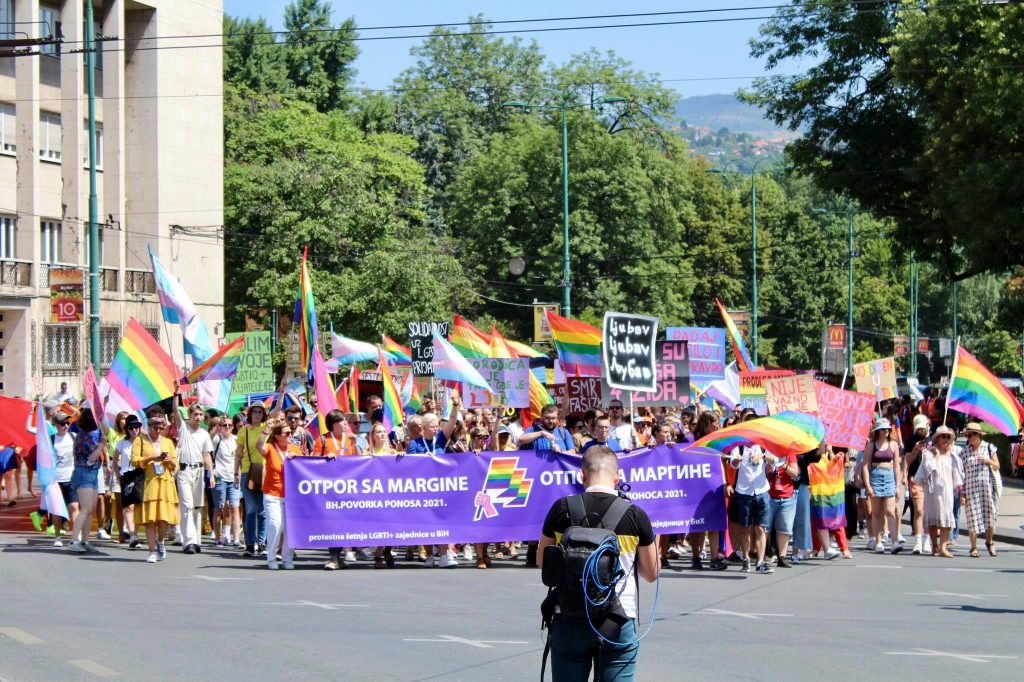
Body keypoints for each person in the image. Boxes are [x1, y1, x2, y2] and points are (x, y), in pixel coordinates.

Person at [538, 445, 657, 681]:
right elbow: (650, 573)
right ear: (617, 477)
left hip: (569, 614)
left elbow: (543, 561)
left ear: (582, 474)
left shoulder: (561, 509)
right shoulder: (635, 515)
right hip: (617, 618)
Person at [131, 406, 180, 564]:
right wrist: (152, 458)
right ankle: (152, 551)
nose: (158, 430)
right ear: (149, 426)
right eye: (155, 427)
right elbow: (135, 461)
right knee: (150, 520)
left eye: (161, 427)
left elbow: (175, 464)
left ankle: (160, 540)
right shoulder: (141, 440)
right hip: (148, 483)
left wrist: (169, 460)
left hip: (165, 483)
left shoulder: (168, 442)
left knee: (164, 519)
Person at [172, 400, 215, 554]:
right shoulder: (184, 429)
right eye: (195, 414)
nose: (197, 417)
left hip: (199, 471)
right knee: (186, 505)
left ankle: (196, 540)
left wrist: (211, 474)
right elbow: (176, 412)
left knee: (197, 506)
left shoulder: (204, 434)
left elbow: (207, 455)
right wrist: (176, 394)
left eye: (200, 414)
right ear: (189, 415)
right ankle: (189, 541)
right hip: (184, 470)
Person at [728, 433, 775, 574]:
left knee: (761, 528)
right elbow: (733, 464)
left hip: (761, 491)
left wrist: (763, 456)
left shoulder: (763, 446)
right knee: (745, 528)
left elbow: (774, 460)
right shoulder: (739, 447)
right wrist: (737, 460)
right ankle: (746, 559)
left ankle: (760, 562)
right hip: (743, 492)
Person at [66, 408, 110, 552]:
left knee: (90, 509)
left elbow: (107, 430)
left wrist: (102, 415)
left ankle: (85, 541)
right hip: (83, 474)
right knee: (85, 509)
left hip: (92, 473)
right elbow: (92, 457)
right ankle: (73, 541)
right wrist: (102, 444)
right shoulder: (83, 437)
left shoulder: (90, 435)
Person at [258, 416, 299, 570]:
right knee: (276, 524)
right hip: (272, 494)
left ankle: (287, 558)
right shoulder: (270, 447)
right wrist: (266, 429)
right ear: (277, 436)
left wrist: (297, 460)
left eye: (291, 433)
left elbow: (306, 467)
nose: (290, 436)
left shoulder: (295, 449)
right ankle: (271, 557)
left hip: (291, 496)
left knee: (290, 528)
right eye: (286, 433)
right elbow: (259, 445)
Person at [687, 411, 727, 571]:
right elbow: (679, 456)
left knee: (714, 523)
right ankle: (696, 557)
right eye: (715, 422)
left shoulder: (716, 440)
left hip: (714, 486)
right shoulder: (691, 439)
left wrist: (724, 483)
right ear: (706, 423)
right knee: (699, 525)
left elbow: (719, 463)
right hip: (696, 487)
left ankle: (714, 558)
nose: (718, 426)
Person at [915, 425, 962, 557]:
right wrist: (936, 456)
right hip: (932, 491)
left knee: (947, 518)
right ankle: (934, 545)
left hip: (947, 491)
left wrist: (960, 490)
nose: (946, 439)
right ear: (937, 439)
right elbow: (929, 470)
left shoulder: (952, 456)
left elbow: (957, 474)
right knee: (933, 519)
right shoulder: (928, 454)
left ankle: (943, 547)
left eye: (948, 437)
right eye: (943, 436)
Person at [861, 418, 903, 554]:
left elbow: (897, 466)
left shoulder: (894, 444)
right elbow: (865, 466)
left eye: (888, 429)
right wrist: (868, 485)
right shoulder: (871, 445)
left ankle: (894, 541)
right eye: (884, 429)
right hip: (875, 476)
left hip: (889, 476)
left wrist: (898, 485)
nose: (887, 431)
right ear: (878, 431)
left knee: (890, 511)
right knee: (877, 512)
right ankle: (878, 541)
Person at [961, 422, 1000, 557]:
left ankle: (989, 542)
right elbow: (962, 474)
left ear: (978, 435)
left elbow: (997, 466)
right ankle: (973, 547)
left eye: (971, 435)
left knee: (989, 518)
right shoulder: (964, 452)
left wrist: (988, 461)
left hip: (987, 489)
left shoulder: (989, 448)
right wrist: (962, 493)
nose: (969, 438)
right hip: (971, 489)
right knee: (972, 518)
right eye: (967, 435)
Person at [235, 403, 268, 557]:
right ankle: (249, 544)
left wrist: (281, 390)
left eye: (260, 412)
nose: (257, 414)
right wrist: (236, 473)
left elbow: (277, 412)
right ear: (249, 414)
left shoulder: (268, 427)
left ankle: (261, 543)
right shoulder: (243, 430)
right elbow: (238, 454)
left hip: (264, 472)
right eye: (254, 411)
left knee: (262, 511)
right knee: (250, 509)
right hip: (248, 472)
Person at [766, 443, 800, 568]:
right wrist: (767, 469)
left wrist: (783, 465)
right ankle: (763, 554)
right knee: (765, 527)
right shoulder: (767, 451)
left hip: (787, 496)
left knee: (785, 528)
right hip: (769, 495)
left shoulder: (789, 453)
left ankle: (782, 557)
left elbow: (795, 473)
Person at [902, 414, 931, 554]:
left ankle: (927, 539)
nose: (921, 432)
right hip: (915, 478)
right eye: (918, 429)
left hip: (931, 480)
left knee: (928, 510)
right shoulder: (911, 440)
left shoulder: (933, 439)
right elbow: (907, 460)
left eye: (923, 428)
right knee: (919, 509)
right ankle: (918, 540)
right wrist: (915, 449)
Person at [210, 416, 241, 547]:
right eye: (224, 425)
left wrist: (238, 474)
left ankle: (236, 539)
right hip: (220, 477)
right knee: (220, 508)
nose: (227, 427)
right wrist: (218, 424)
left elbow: (240, 458)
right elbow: (209, 436)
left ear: (233, 427)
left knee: (234, 507)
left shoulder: (236, 440)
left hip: (233, 477)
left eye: (229, 425)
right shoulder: (217, 439)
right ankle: (218, 538)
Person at [114, 414, 143, 548]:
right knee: (128, 506)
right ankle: (132, 536)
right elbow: (114, 459)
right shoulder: (122, 443)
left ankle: (134, 534)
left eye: (136, 427)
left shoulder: (143, 442)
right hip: (126, 475)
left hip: (140, 475)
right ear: (127, 429)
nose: (134, 430)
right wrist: (117, 473)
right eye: (131, 427)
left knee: (138, 506)